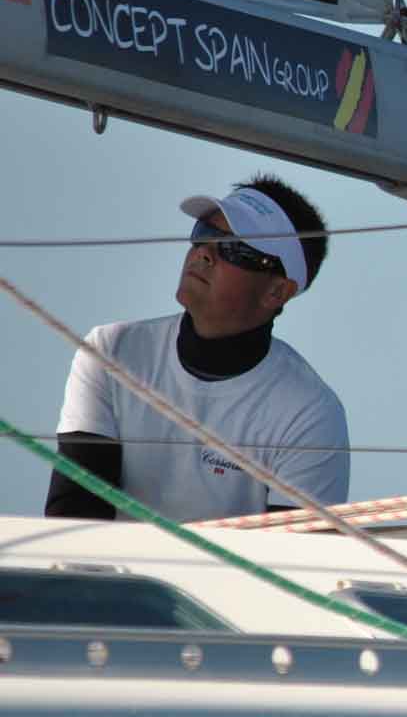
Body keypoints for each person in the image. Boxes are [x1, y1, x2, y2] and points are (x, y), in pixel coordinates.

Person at [46, 177, 348, 522]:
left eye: (232, 247)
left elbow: (290, 552)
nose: (204, 252)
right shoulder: (109, 351)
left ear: (276, 292)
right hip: (111, 560)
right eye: (204, 233)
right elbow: (74, 514)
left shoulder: (310, 413)